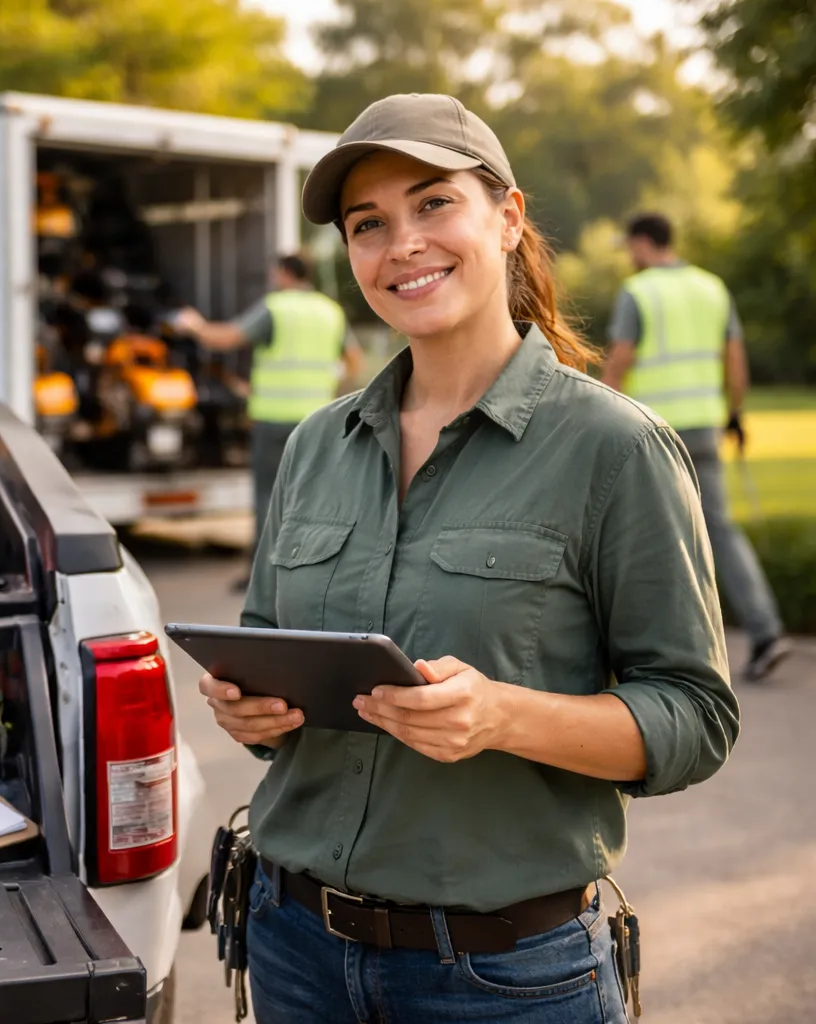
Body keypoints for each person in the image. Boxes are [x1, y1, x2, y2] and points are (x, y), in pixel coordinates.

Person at [197, 94, 740, 1023]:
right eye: (369, 224)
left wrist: (503, 716)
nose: (401, 244)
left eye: (433, 203)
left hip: (504, 982)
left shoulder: (615, 449)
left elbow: (696, 715)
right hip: (293, 948)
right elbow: (264, 653)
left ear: (509, 217)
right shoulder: (318, 443)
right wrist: (248, 710)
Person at [602, 213, 791, 682]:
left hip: (651, 434)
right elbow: (735, 361)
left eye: (630, 247)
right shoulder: (712, 288)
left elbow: (619, 361)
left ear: (643, 244)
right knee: (719, 531)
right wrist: (735, 413)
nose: (629, 256)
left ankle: (666, 656)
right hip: (705, 427)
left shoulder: (639, 292)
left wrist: (600, 416)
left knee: (647, 538)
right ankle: (766, 630)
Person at [174, 255, 362, 589]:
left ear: (286, 274)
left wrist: (195, 326)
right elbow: (354, 360)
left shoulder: (277, 308)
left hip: (274, 421)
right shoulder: (330, 311)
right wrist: (327, 385)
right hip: (317, 420)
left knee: (269, 498)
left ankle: (263, 579)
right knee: (315, 496)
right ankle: (314, 572)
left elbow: (227, 338)